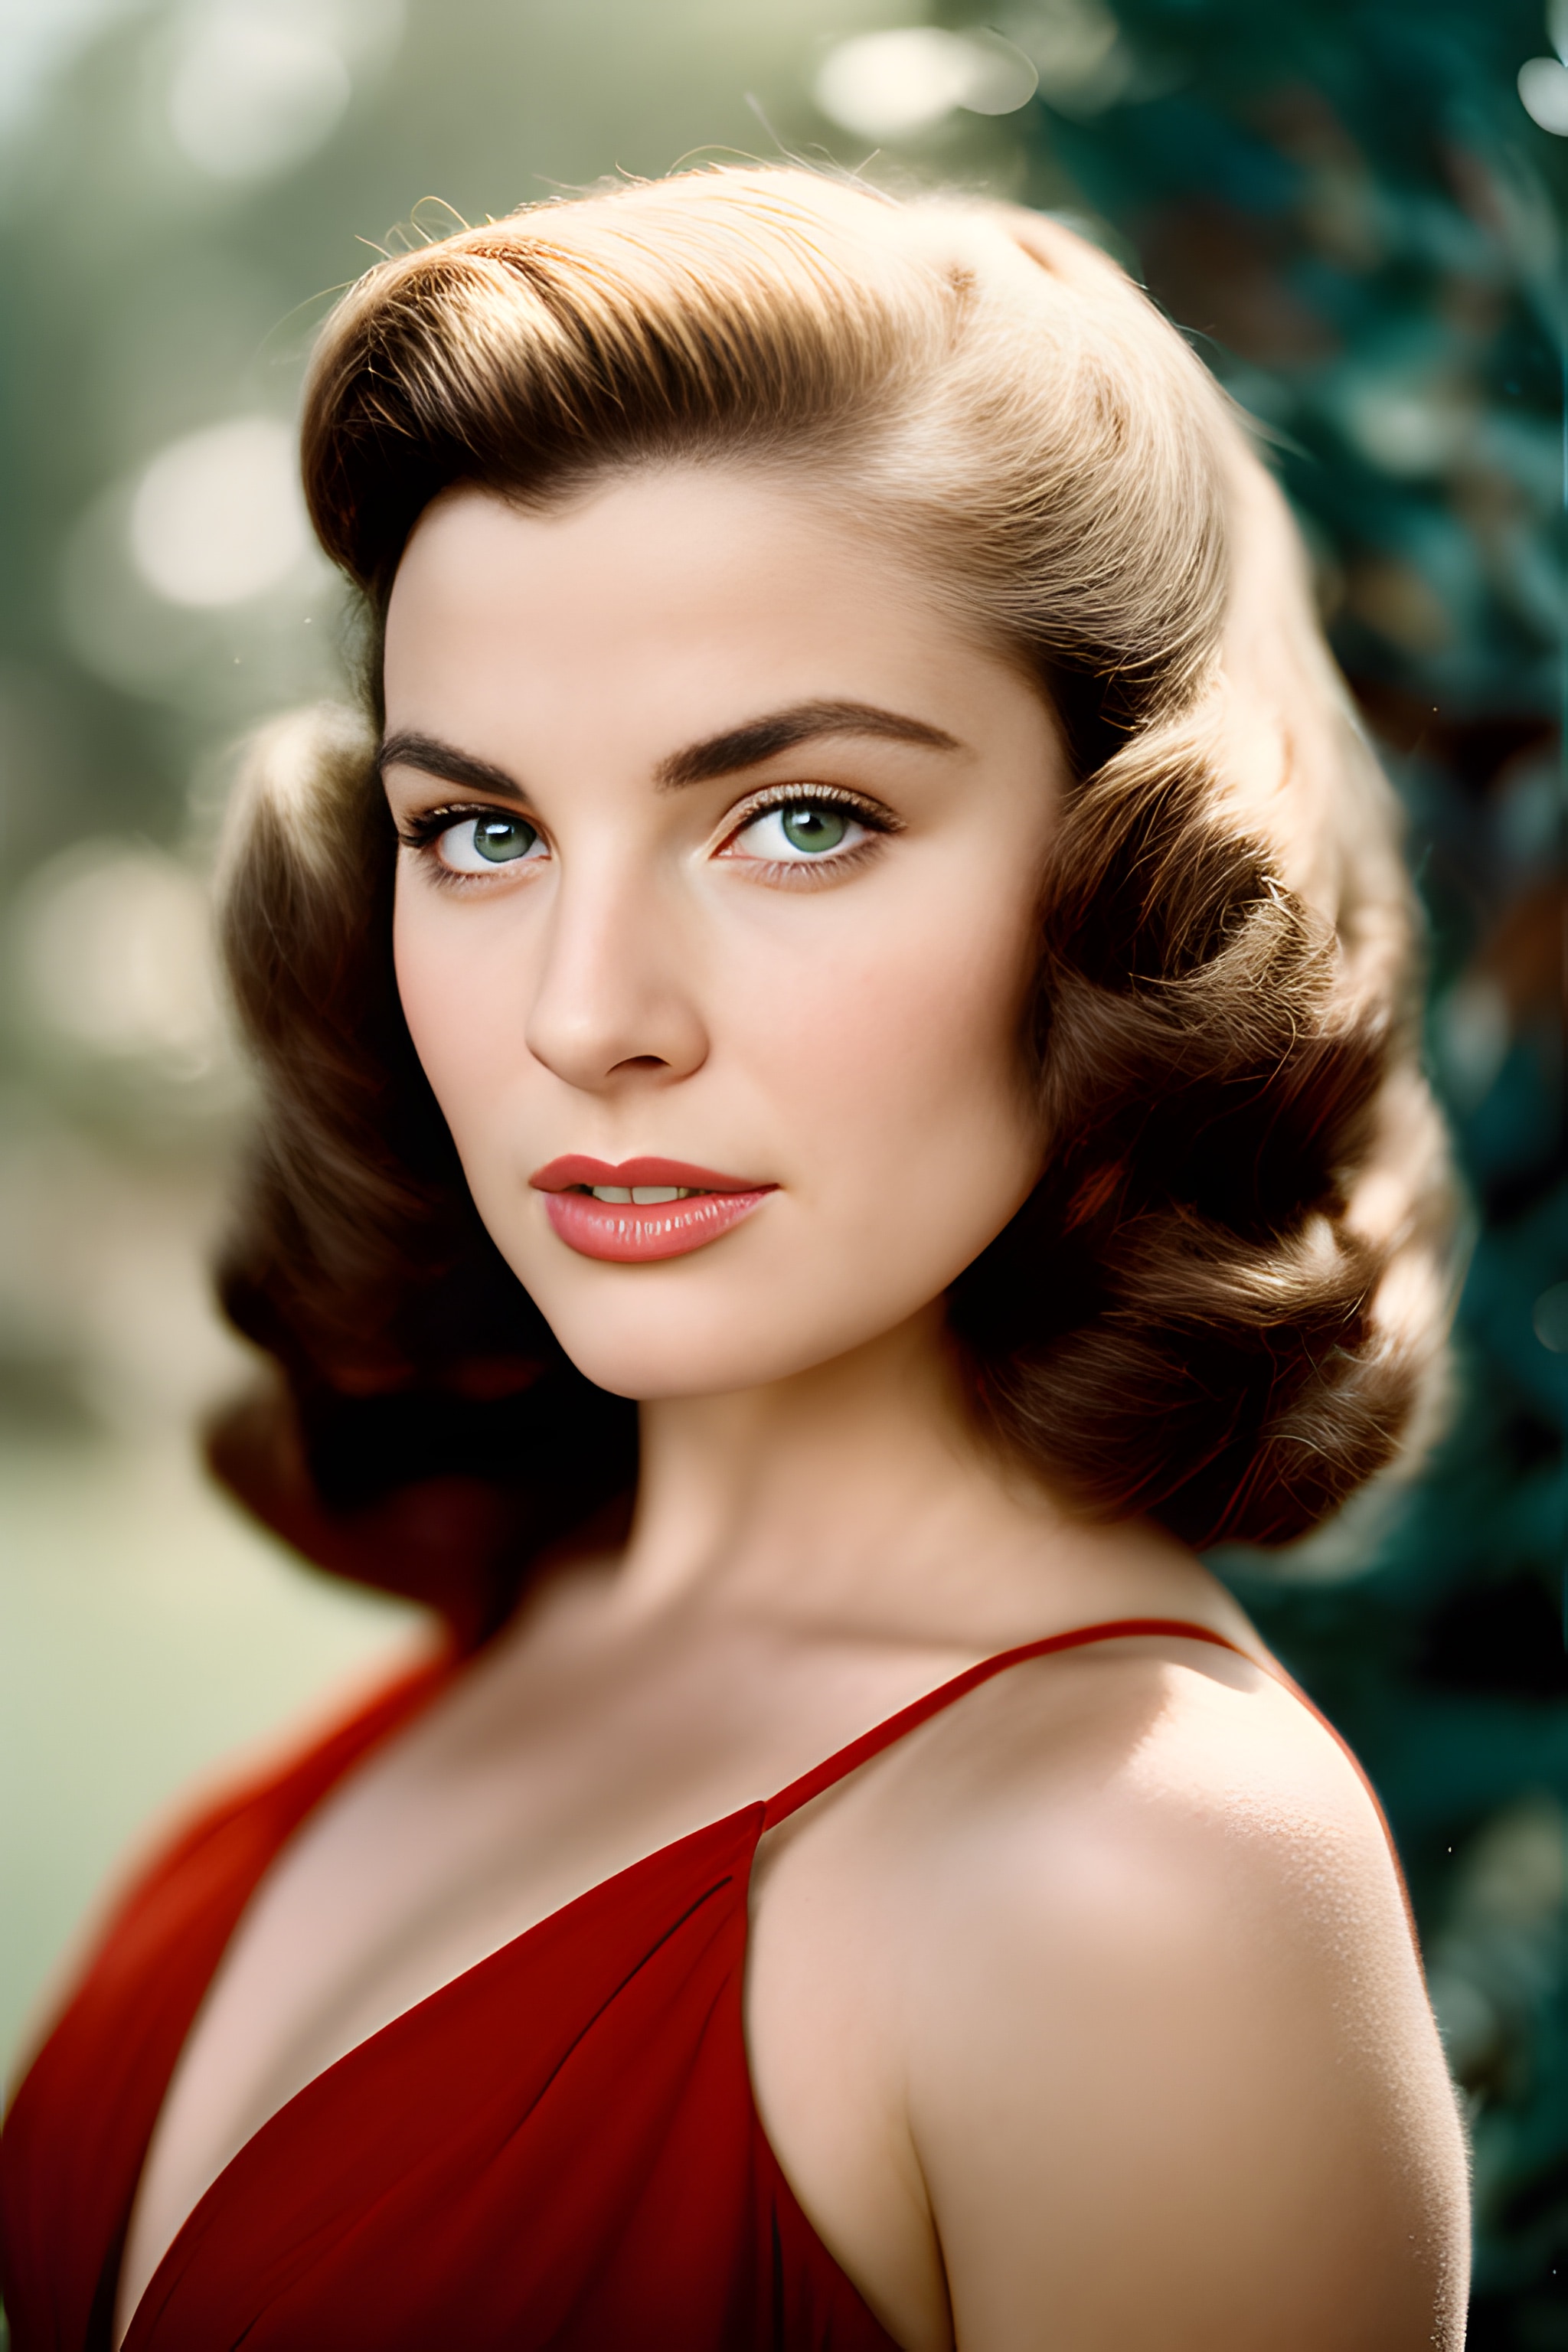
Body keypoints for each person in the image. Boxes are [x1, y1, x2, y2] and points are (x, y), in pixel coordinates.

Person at [1, 166, 1468, 2350]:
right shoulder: (526, 1625)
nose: (588, 1012)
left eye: (798, 820)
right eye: (479, 832)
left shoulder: (1141, 1884)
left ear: (1131, 884)